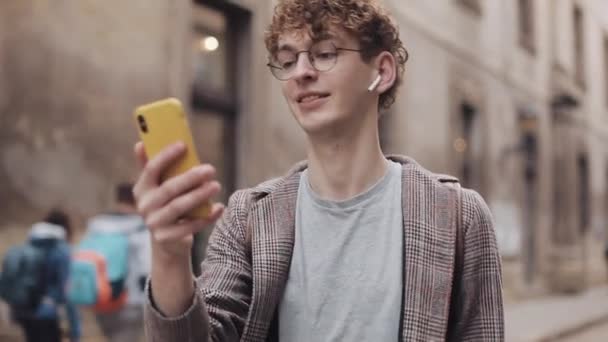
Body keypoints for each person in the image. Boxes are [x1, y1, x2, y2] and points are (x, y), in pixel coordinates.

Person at [135, 0, 504, 340]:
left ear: (382, 71)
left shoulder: (457, 215)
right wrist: (169, 254)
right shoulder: (249, 216)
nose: (302, 72)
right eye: (288, 59)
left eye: (324, 54)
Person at [85, 183, 150, 342]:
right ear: (136, 199)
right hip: (130, 300)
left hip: (100, 296)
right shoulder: (141, 227)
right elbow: (147, 265)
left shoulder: (96, 225)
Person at [6, 210, 81, 342]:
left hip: (23, 311)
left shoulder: (28, 245)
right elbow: (68, 292)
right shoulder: (62, 250)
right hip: (47, 312)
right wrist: (75, 330)